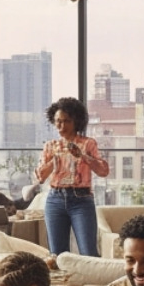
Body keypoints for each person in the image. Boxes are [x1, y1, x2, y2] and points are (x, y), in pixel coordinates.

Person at [37, 96, 110, 257]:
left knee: (88, 252)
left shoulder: (88, 143)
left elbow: (103, 171)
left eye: (66, 121)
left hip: (81, 200)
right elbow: (40, 177)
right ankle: (63, 282)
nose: (61, 126)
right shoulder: (50, 146)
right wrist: (53, 161)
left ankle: (92, 281)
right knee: (57, 254)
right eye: (58, 121)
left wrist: (82, 156)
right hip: (55, 199)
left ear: (76, 121)